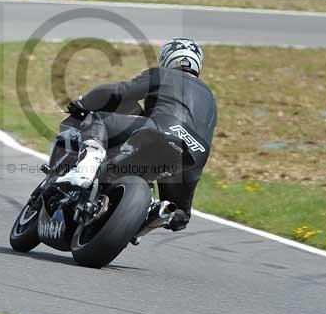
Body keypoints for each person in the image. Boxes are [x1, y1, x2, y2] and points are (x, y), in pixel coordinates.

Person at [57, 38, 218, 232]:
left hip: (159, 129)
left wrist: (83, 102)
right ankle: (153, 217)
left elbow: (120, 92)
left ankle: (86, 168)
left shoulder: (161, 74)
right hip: (193, 156)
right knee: (178, 215)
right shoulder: (210, 98)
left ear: (166, 58)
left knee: (97, 118)